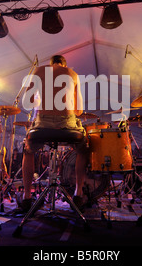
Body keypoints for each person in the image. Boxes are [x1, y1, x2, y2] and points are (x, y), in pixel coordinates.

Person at [18, 55, 87, 212]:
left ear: (50, 64)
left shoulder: (39, 70)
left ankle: (27, 197)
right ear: (64, 64)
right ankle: (78, 193)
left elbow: (27, 103)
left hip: (44, 122)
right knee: (83, 148)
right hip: (67, 122)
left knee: (28, 150)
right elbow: (79, 110)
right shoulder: (73, 74)